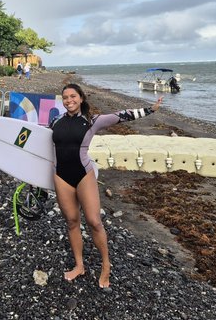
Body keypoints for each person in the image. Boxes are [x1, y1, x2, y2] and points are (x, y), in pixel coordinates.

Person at [49, 83, 163, 289]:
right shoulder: (55, 121)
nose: (69, 100)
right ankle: (79, 265)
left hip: (83, 174)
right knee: (72, 222)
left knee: (94, 221)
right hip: (61, 176)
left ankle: (106, 266)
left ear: (81, 98)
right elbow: (38, 144)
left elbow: (121, 115)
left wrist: (150, 110)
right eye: (65, 97)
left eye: (73, 96)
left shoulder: (92, 121)